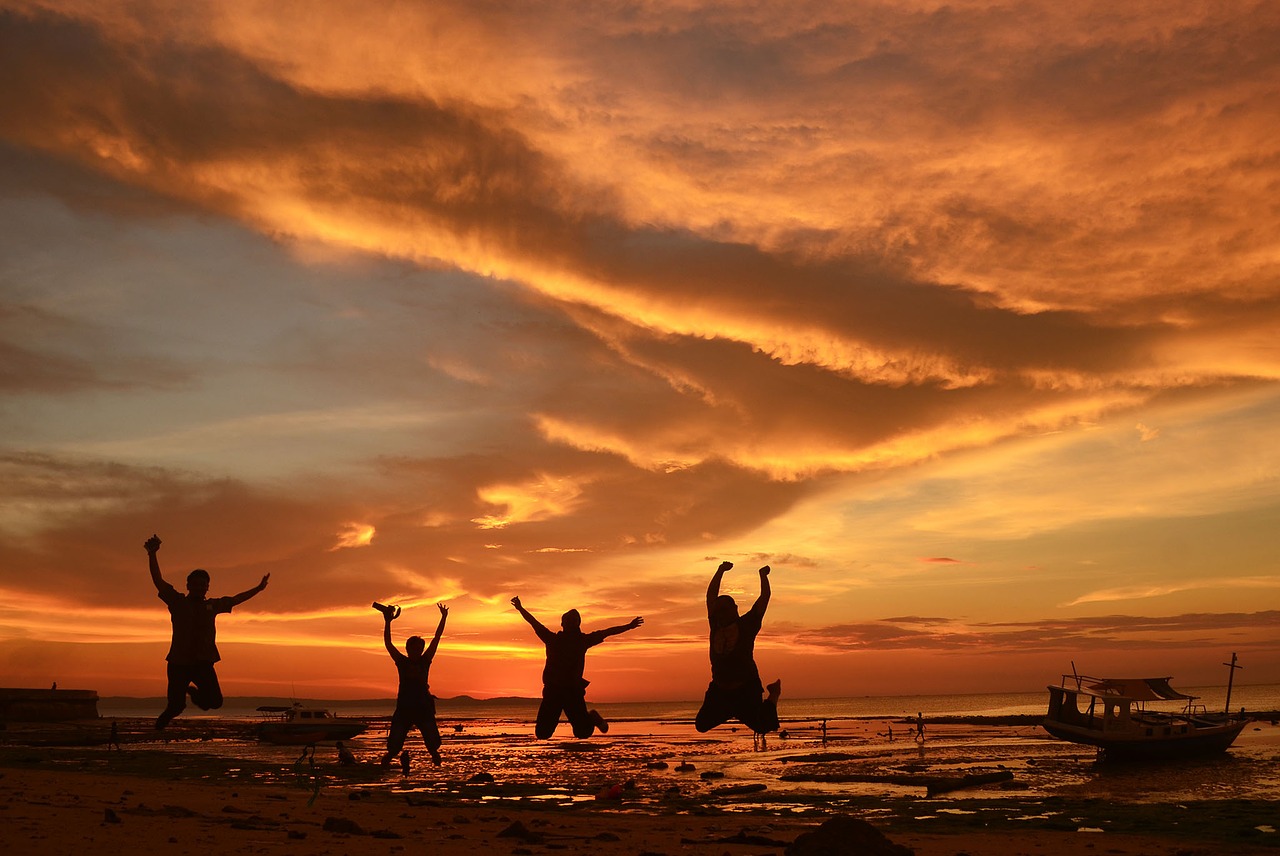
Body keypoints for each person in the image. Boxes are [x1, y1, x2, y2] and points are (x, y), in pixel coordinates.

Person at [145, 534, 269, 730]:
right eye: (196, 585)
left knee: (215, 702)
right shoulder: (178, 602)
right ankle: (159, 727)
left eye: (204, 585)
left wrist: (259, 588)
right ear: (188, 586)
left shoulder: (212, 605)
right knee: (176, 706)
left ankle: (194, 694)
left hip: (203, 662)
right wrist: (152, 554)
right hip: (179, 662)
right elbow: (158, 580)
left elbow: (237, 598)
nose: (200, 588)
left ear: (207, 587)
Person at [510, 596, 643, 739]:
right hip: (553, 691)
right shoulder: (553, 639)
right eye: (568, 621)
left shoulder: (582, 640)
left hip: (572, 692)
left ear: (578, 623)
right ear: (562, 623)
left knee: (583, 732)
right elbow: (534, 623)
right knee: (542, 734)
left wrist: (629, 626)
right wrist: (520, 608)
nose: (571, 623)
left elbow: (608, 632)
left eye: (574, 621)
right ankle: (588, 717)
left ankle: (591, 717)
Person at [694, 561, 781, 735]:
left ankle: (774, 693)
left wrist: (763, 576)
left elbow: (764, 598)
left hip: (746, 687)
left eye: (724, 609)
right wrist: (720, 571)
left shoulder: (747, 624)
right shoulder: (715, 625)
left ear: (734, 609)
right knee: (701, 725)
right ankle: (731, 710)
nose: (720, 613)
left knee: (763, 727)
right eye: (717, 610)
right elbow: (710, 596)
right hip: (720, 689)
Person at [379, 602, 448, 766]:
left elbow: (437, 639)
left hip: (423, 706)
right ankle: (388, 759)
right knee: (395, 743)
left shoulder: (425, 661)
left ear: (422, 649)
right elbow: (388, 644)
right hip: (404, 706)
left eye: (419, 648)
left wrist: (443, 617)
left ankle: (435, 756)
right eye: (414, 648)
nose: (417, 651)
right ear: (408, 649)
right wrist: (387, 622)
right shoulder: (402, 662)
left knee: (432, 740)